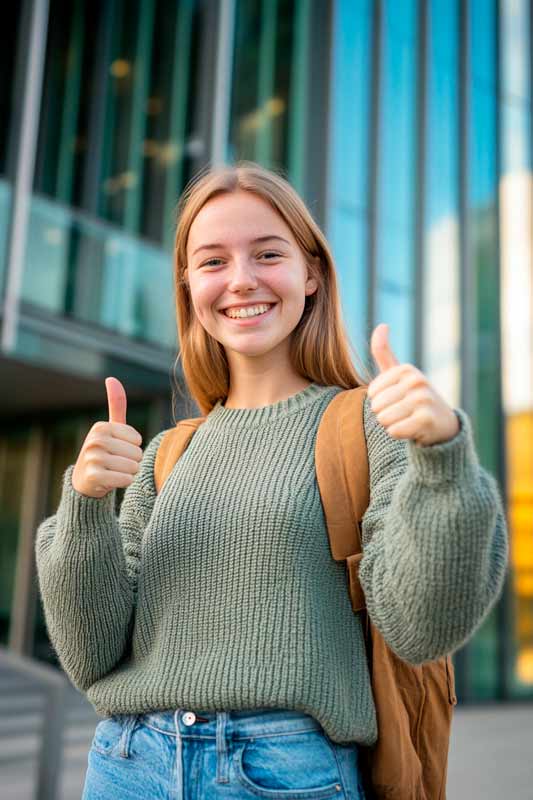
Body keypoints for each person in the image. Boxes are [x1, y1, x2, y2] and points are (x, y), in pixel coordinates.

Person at [35, 160, 509, 799]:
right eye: (212, 261)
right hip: (128, 763)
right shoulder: (169, 455)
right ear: (187, 284)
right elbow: (91, 655)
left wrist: (444, 455)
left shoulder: (367, 424)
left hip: (281, 774)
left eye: (267, 254)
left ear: (311, 272)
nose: (240, 280)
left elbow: (423, 626)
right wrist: (85, 503)